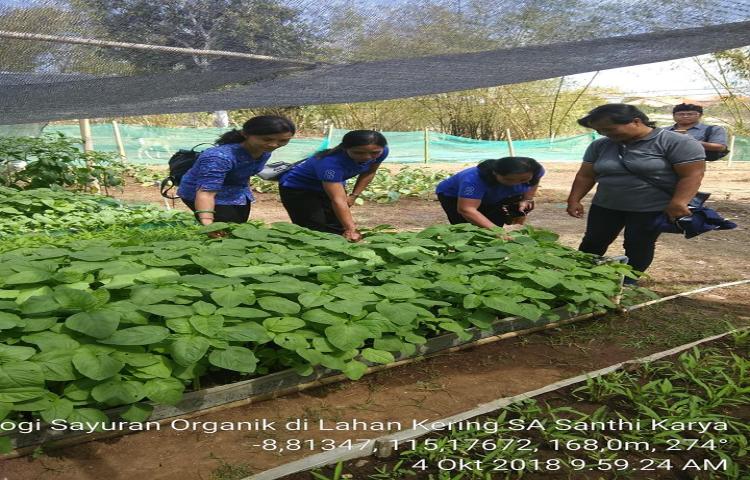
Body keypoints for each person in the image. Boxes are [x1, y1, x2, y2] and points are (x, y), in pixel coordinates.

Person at [566, 104, 706, 283]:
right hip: (606, 205)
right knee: (593, 242)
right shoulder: (601, 145)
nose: (606, 134)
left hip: (651, 208)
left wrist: (679, 202)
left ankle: (627, 283)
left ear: (636, 121)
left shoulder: (676, 142)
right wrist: (574, 199)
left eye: (609, 129)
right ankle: (578, 278)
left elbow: (692, 174)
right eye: (600, 131)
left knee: (638, 244)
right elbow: (586, 175)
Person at [177, 115, 296, 229]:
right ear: (245, 134)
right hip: (203, 193)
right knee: (222, 231)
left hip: (237, 192)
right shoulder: (220, 157)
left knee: (238, 228)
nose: (274, 144)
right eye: (267, 139)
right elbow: (206, 192)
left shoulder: (264, 151)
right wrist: (208, 222)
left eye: (283, 141)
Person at [278, 130, 388, 242]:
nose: (367, 157)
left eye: (374, 153)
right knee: (314, 228)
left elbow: (369, 172)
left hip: (331, 185)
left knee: (336, 225)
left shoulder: (381, 151)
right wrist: (351, 229)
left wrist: (354, 196)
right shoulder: (330, 163)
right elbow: (338, 199)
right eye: (358, 153)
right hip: (298, 188)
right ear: (345, 148)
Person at [435, 157, 544, 229]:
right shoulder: (473, 179)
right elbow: (467, 209)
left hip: (496, 195)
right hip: (454, 196)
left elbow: (535, 180)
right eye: (509, 180)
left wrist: (527, 199)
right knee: (468, 229)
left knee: (494, 225)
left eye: (523, 180)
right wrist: (497, 232)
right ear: (495, 173)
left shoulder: (535, 171)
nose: (515, 184)